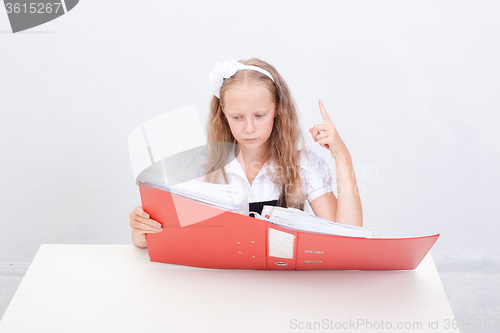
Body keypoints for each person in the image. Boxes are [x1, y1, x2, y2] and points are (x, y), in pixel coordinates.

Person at [129, 58, 363, 248]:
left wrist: (342, 156)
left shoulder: (303, 165)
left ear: (277, 109)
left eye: (259, 115)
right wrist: (141, 234)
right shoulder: (202, 167)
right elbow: (164, 237)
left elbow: (348, 237)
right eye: (237, 117)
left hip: (284, 289)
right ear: (223, 112)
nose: (249, 128)